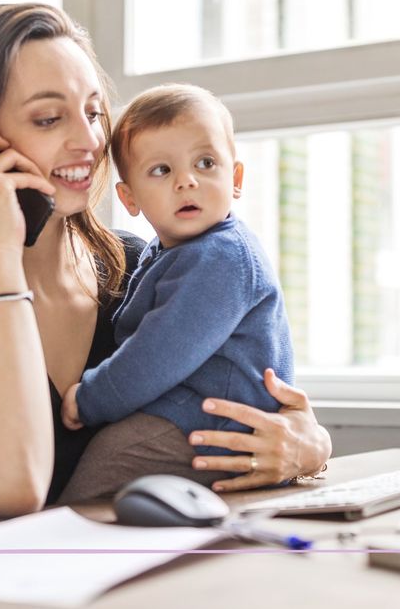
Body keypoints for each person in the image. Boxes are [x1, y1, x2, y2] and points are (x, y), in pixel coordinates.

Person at [0, 3, 331, 535]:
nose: (91, 142)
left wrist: (307, 445)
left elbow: (252, 398)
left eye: (93, 112)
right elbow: (12, 487)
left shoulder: (135, 268)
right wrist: (3, 254)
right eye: (49, 118)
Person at [57, 84, 293, 501]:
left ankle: (56, 550)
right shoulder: (168, 251)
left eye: (205, 163)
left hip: (212, 425)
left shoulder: (221, 258)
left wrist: (90, 400)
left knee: (95, 481)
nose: (187, 182)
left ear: (235, 178)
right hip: (194, 418)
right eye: (161, 171)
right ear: (129, 197)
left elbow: (157, 354)